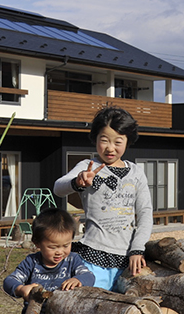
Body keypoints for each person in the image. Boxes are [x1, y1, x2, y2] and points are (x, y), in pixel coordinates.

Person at [52, 106, 153, 291]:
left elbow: (145, 213)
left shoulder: (137, 173)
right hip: (92, 257)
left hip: (128, 261)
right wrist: (78, 181)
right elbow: (58, 188)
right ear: (95, 139)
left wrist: (137, 249)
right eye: (104, 140)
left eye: (118, 142)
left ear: (127, 141)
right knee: (92, 309)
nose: (110, 148)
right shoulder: (87, 166)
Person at [2, 208, 95, 314]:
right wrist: (21, 289)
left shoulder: (72, 260)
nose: (60, 252)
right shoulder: (32, 262)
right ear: (37, 243)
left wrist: (78, 279)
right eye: (53, 247)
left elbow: (89, 276)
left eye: (66, 245)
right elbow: (9, 281)